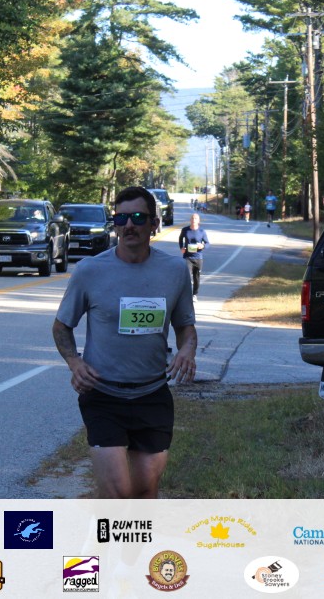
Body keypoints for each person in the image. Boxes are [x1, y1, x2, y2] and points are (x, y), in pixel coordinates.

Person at [52, 186, 197, 499]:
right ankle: (109, 533)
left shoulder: (174, 271)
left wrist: (187, 350)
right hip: (103, 396)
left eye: (138, 218)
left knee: (145, 490)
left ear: (154, 223)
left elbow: (185, 327)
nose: (129, 225)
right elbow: (62, 327)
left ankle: (136, 535)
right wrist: (75, 362)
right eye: (121, 218)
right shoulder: (90, 270)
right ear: (114, 224)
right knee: (118, 492)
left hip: (152, 394)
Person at [178, 213, 209, 302]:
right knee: (187, 276)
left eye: (195, 218)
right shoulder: (185, 230)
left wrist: (202, 246)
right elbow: (180, 239)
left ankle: (194, 294)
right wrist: (181, 248)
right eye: (192, 218)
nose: (193, 220)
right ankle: (186, 295)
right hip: (187, 257)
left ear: (198, 221)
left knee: (196, 278)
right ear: (190, 220)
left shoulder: (202, 232)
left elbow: (207, 243)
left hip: (198, 257)